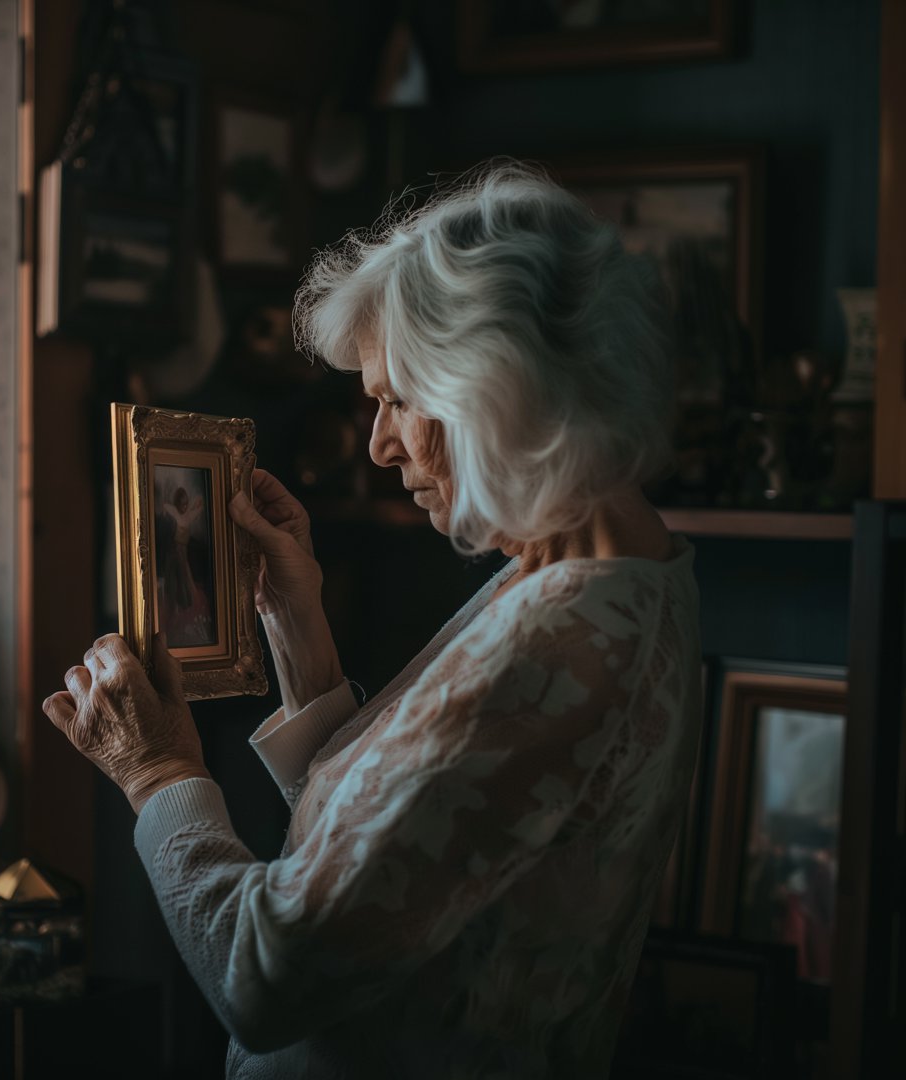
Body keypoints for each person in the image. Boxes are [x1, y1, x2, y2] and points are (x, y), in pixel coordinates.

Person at [43, 162, 702, 1079]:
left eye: (397, 399)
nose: (379, 443)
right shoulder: (607, 566)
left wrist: (157, 774)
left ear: (494, 387)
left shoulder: (560, 635)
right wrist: (297, 625)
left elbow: (266, 980)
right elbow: (406, 848)